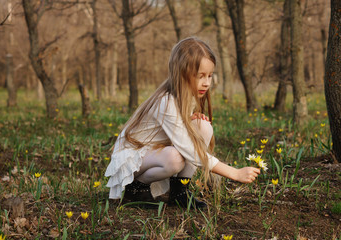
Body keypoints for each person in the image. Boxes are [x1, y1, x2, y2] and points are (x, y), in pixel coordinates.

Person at [105, 37, 260, 208]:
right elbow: (190, 150)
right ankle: (136, 189)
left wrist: (190, 120)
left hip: (153, 153)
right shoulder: (165, 101)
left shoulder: (189, 96)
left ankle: (180, 192)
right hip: (133, 157)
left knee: (203, 127)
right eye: (201, 76)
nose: (207, 83)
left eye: (210, 76)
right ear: (183, 73)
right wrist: (235, 173)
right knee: (175, 157)